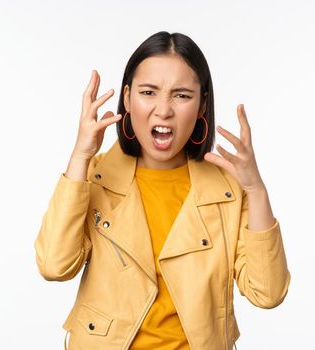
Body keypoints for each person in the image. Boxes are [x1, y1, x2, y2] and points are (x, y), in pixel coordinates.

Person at [34, 31, 291, 350]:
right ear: (127, 99)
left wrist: (256, 190)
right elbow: (55, 266)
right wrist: (80, 156)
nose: (164, 110)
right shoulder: (93, 177)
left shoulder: (228, 190)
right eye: (148, 92)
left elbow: (267, 292)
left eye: (182, 95)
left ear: (202, 105)